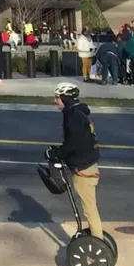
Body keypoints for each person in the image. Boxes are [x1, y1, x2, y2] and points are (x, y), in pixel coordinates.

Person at [50, 82, 104, 241]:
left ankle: (97, 244)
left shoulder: (73, 116)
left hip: (83, 169)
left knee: (90, 211)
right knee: (90, 209)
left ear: (65, 98)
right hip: (87, 165)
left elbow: (75, 143)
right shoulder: (77, 112)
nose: (55, 101)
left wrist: (60, 152)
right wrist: (60, 151)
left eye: (57, 97)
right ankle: (97, 240)